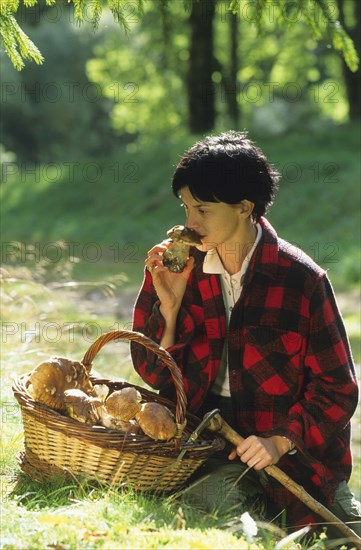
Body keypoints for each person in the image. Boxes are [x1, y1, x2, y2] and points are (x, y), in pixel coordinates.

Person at [131, 131, 361, 536]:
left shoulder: (302, 280)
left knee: (344, 530)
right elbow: (154, 376)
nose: (189, 223)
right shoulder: (178, 269)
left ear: (244, 208)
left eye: (202, 209)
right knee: (227, 525)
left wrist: (280, 441)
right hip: (209, 446)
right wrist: (168, 309)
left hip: (295, 452)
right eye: (186, 208)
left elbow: (338, 388)